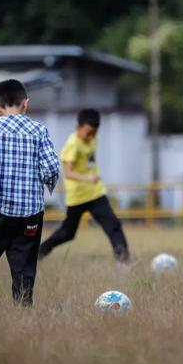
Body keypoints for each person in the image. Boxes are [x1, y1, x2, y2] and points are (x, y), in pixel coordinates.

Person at [0, 79, 59, 307]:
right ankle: (23, 307)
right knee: (25, 261)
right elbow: (51, 168)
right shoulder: (39, 130)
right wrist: (46, 184)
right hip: (31, 212)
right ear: (25, 103)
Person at [38, 108, 131, 266]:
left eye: (94, 133)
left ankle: (123, 261)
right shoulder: (73, 144)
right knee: (67, 233)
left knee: (113, 225)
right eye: (88, 133)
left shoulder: (93, 139)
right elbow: (68, 173)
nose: (91, 137)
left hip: (96, 193)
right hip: (77, 197)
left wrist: (92, 179)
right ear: (78, 128)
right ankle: (39, 252)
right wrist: (88, 178)